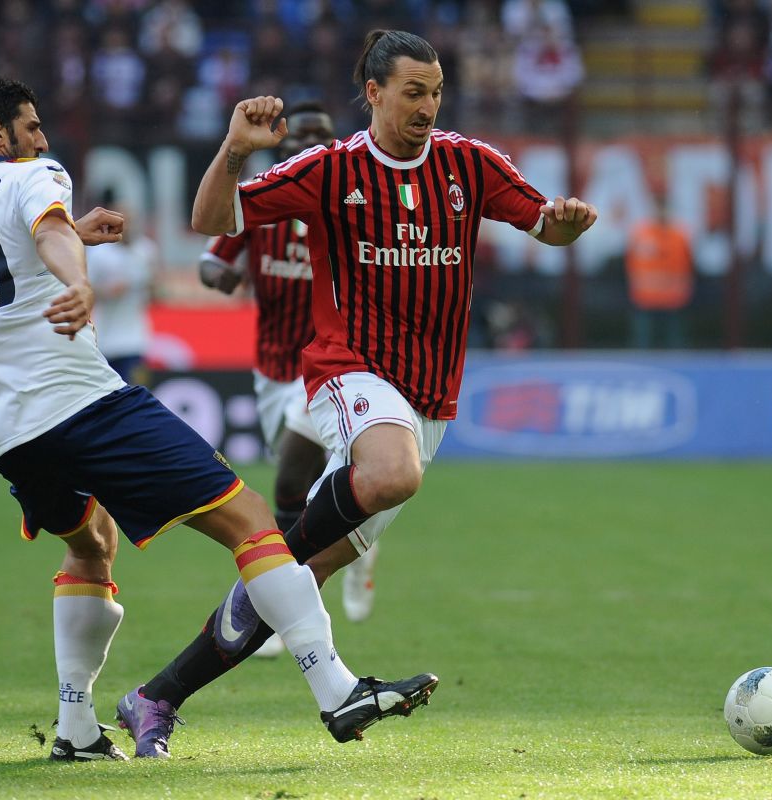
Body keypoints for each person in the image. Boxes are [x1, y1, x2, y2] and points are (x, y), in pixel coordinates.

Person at [0, 76, 438, 763]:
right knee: (252, 522)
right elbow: (43, 236)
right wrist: (77, 272)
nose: (42, 138)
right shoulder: (34, 174)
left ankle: (75, 729)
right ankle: (336, 689)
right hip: (79, 403)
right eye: (31, 126)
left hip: (5, 432)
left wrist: (75, 237)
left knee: (89, 546)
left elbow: (2, 274)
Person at [120, 29, 597, 759]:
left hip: (430, 402)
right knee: (390, 474)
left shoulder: (470, 164)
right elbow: (211, 221)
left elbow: (543, 225)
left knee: (290, 586)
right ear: (373, 93)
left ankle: (156, 697)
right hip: (349, 369)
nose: (428, 107)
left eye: (436, 92)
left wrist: (562, 227)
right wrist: (235, 147)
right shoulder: (329, 169)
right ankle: (278, 564)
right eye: (413, 92)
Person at [198, 102, 380, 658]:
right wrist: (222, 274)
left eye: (318, 135)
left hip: (333, 364)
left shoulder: (349, 197)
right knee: (308, 490)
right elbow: (213, 255)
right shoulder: (267, 199)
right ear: (281, 143)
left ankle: (279, 613)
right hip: (274, 369)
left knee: (296, 487)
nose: (307, 145)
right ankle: (359, 546)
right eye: (298, 136)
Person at [85, 194, 159, 384]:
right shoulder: (98, 252)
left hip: (136, 340)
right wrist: (107, 291)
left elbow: (156, 289)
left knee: (137, 393)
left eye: (130, 221)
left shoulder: (146, 250)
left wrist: (150, 286)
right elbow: (85, 289)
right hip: (105, 340)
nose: (127, 226)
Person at [624, 199, 694, 349]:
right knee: (643, 340)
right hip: (645, 297)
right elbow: (632, 265)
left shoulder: (680, 236)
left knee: (675, 341)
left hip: (674, 298)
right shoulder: (641, 234)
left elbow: (687, 265)